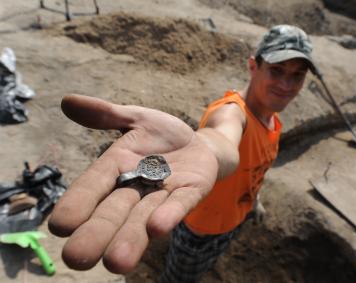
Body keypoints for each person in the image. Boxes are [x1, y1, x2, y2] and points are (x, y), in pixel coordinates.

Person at [47, 25, 318, 281]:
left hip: (233, 220)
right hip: (201, 231)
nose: (286, 84)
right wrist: (208, 147)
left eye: (297, 75)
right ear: (252, 65)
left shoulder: (273, 119)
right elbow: (220, 136)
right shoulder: (231, 113)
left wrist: (253, 201)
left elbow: (257, 165)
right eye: (276, 70)